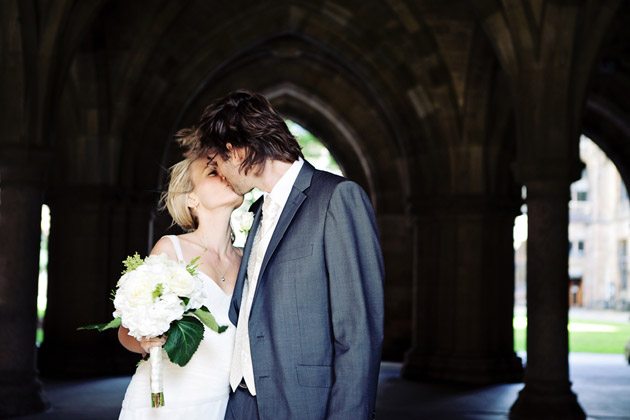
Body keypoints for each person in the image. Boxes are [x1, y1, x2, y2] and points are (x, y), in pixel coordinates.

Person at [195, 90, 385, 420]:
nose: (220, 173)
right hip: (243, 406)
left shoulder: (337, 199)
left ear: (238, 149)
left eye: (217, 162)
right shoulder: (259, 212)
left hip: (303, 406)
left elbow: (359, 334)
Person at [117, 132, 243, 420]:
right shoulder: (171, 248)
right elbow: (126, 332)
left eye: (227, 166)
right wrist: (146, 341)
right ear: (191, 198)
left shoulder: (249, 257)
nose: (225, 173)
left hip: (225, 405)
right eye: (212, 170)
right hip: (169, 404)